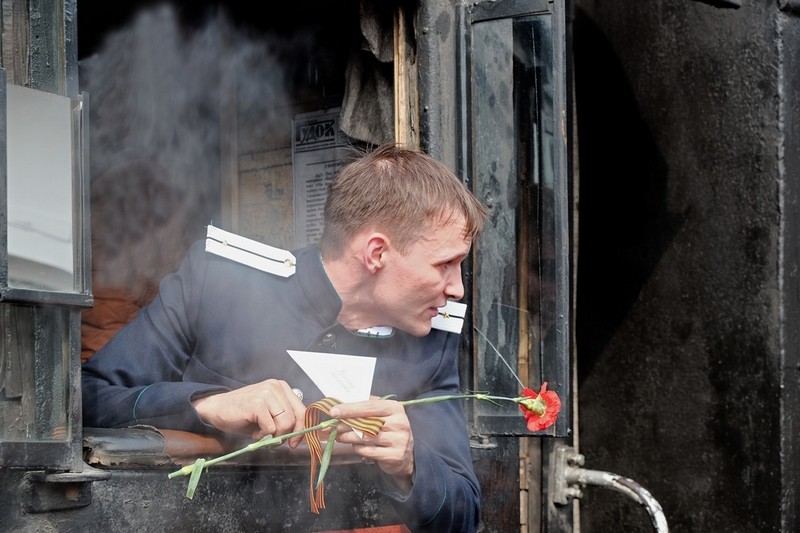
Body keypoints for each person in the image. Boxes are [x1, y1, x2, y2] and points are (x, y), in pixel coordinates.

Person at [82, 143, 487, 531]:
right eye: (445, 264)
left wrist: (410, 464)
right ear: (376, 253)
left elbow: (465, 515)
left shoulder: (432, 344)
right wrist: (205, 404)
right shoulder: (219, 284)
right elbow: (87, 397)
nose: (457, 289)